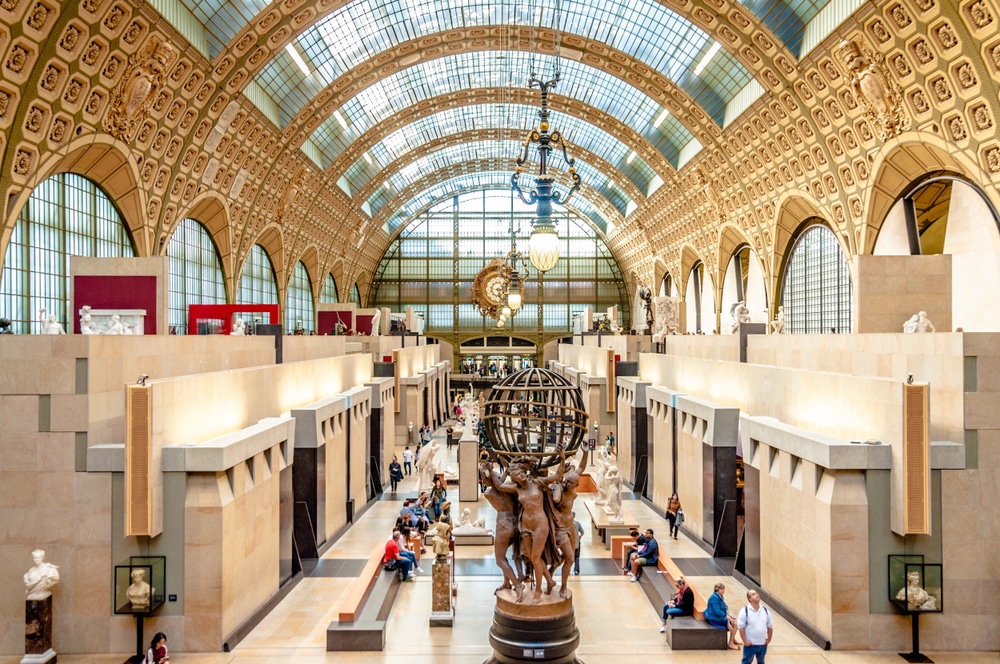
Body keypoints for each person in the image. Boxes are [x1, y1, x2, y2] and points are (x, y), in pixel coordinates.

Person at [737, 589, 773, 664]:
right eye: (753, 594)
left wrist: (769, 639)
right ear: (750, 599)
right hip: (751, 645)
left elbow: (770, 626)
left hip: (762, 644)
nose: (756, 595)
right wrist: (745, 641)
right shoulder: (744, 611)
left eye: (756, 593)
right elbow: (741, 628)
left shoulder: (765, 610)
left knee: (761, 661)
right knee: (746, 662)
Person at [704, 582, 742, 650]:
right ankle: (731, 643)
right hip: (714, 618)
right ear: (717, 589)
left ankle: (732, 639)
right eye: (721, 589)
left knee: (734, 621)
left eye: (723, 589)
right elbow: (717, 611)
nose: (723, 591)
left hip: (719, 616)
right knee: (734, 624)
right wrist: (727, 617)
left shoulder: (719, 596)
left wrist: (729, 616)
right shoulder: (714, 598)